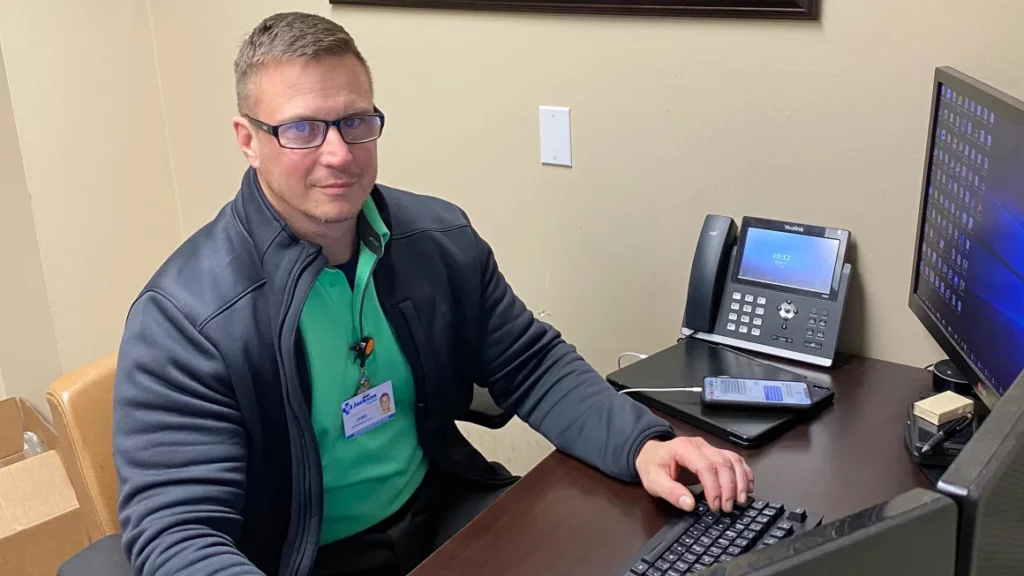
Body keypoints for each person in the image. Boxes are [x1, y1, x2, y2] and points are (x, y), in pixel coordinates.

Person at [112, 11, 753, 576]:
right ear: (248, 140)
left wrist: (643, 445)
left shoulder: (436, 240)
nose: (338, 154)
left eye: (355, 122)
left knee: (633, 549)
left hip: (440, 510)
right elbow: (178, 534)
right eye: (302, 129)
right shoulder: (185, 320)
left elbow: (530, 364)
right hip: (300, 558)